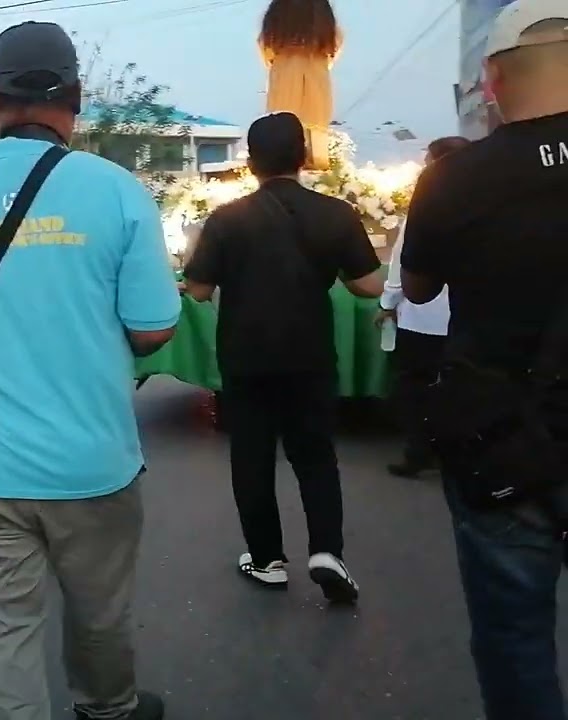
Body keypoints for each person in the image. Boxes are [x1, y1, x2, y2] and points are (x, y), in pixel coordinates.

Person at [0, 21, 180, 720]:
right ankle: (109, 709)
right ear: (78, 97)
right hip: (92, 463)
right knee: (98, 613)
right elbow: (153, 329)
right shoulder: (118, 191)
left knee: (2, 631)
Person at [398, 2, 568, 717]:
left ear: (491, 80)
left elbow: (417, 286)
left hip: (506, 442)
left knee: (515, 636)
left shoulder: (456, 179)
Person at [181, 111, 382, 603]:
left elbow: (199, 290)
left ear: (250, 163)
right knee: (314, 454)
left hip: (245, 357)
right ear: (305, 158)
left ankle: (267, 559)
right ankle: (326, 552)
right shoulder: (337, 214)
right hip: (310, 354)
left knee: (251, 458)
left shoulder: (227, 219)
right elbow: (368, 286)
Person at [376, 136, 471, 479]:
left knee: (415, 387)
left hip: (423, 317)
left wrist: (388, 302)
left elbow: (404, 259)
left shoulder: (427, 202)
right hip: (468, 317)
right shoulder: (486, 201)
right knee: (462, 387)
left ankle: (420, 450)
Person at [258, 0, 342, 170]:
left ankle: (283, 175)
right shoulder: (321, 9)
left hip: (283, 77)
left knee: (282, 129)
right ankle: (317, 177)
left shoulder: (278, 9)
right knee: (315, 131)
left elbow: (265, 46)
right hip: (317, 76)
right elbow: (335, 43)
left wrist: (280, 59)